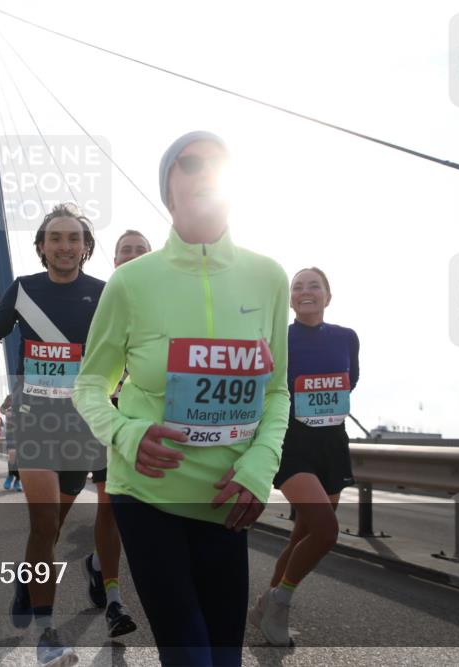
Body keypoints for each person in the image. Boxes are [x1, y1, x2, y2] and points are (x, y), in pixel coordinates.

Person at [72, 131, 290, 666]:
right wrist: (127, 432)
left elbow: (278, 389)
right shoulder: (130, 282)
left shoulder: (268, 277)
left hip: (227, 497)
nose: (203, 174)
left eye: (219, 165)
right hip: (146, 493)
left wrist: (260, 467)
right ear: (167, 189)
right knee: (190, 655)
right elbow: (89, 385)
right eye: (189, 164)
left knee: (224, 657)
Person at [0, 203, 116, 664]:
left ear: (86, 246)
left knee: (53, 529)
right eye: (55, 238)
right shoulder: (23, 290)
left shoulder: (104, 293)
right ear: (41, 246)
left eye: (73, 238)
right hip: (36, 419)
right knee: (42, 523)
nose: (65, 246)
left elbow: (126, 348)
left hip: (82, 423)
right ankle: (46, 634)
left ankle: (28, 579)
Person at [250, 267, 359, 646]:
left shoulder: (347, 337)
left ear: (328, 296)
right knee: (326, 530)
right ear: (290, 298)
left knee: (305, 531)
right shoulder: (276, 337)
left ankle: (267, 602)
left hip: (332, 445)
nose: (306, 291)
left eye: (315, 286)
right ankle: (281, 601)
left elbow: (351, 381)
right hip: (290, 444)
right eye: (298, 287)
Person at [82, 229, 151, 629]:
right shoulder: (100, 302)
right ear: (114, 261)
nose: (133, 255)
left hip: (151, 423)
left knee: (138, 512)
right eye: (125, 250)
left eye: (141, 249)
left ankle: (95, 562)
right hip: (108, 421)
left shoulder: (167, 300)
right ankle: (114, 599)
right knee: (110, 504)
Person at [0, 394, 22, 492]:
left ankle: (17, 480)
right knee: (12, 455)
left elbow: (29, 412)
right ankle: (10, 476)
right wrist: (5, 411)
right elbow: (1, 408)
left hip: (24, 434)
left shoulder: (24, 402)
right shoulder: (10, 400)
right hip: (11, 434)